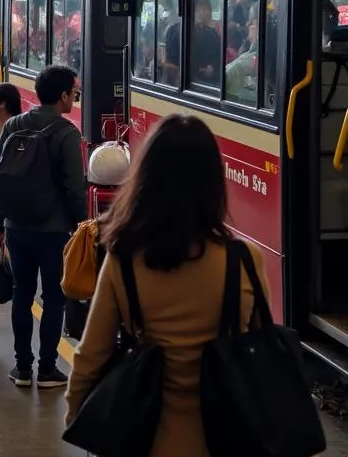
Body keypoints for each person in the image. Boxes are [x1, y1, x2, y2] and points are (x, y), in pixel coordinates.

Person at [66, 115, 271, 456]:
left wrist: (77, 418)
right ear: (213, 182)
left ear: (145, 179)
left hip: (146, 439)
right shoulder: (244, 259)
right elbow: (264, 350)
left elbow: (91, 357)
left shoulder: (124, 259)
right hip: (229, 438)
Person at [0, 65, 87, 390]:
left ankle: (21, 368)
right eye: (74, 92)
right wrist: (81, 225)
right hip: (54, 229)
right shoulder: (67, 133)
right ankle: (47, 369)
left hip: (16, 225)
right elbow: (74, 187)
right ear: (62, 96)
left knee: (22, 294)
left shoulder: (15, 124)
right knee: (54, 297)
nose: (75, 97)